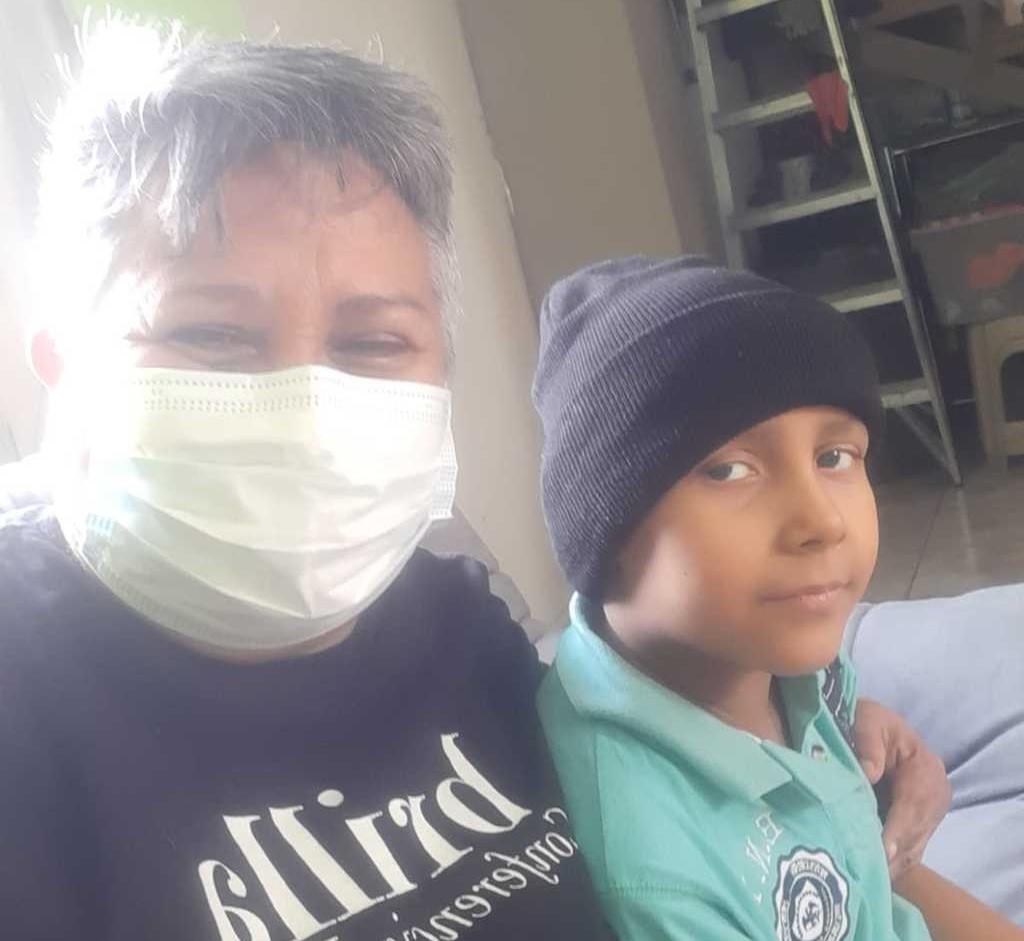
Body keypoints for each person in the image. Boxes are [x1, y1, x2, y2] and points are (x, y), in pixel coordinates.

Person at [0, 21, 948, 941]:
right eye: (211, 334)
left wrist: (825, 753)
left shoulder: (453, 621)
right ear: (60, 362)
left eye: (373, 342)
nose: (305, 406)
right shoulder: (29, 708)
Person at [532, 257, 1024, 941]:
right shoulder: (655, 868)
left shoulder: (773, 651)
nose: (822, 520)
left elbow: (873, 880)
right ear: (606, 526)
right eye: (729, 469)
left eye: (834, 457)